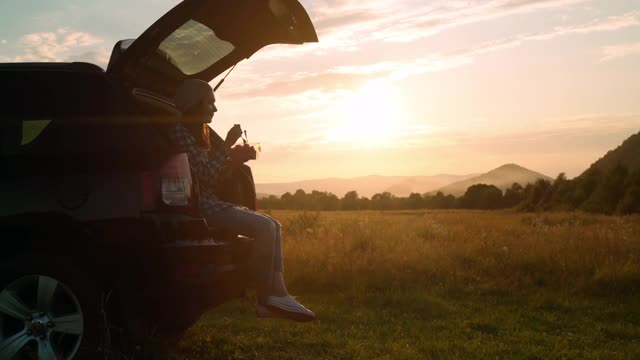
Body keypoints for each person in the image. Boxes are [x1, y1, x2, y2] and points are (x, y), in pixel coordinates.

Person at [170, 79, 315, 322]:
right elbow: (203, 178)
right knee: (265, 227)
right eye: (210, 102)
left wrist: (235, 162)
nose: (215, 109)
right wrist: (226, 144)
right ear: (195, 103)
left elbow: (208, 175)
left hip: (208, 200)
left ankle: (278, 293)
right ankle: (267, 298)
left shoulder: (196, 133)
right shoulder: (181, 132)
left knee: (274, 225)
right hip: (202, 205)